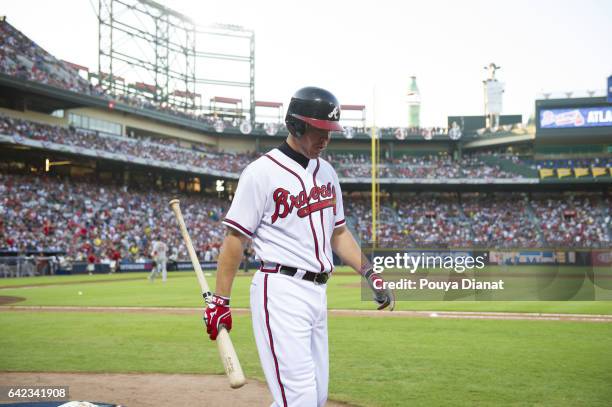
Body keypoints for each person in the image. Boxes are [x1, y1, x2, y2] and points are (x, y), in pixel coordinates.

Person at [203, 86, 394, 406]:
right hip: (280, 290)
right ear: (297, 126)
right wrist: (220, 300)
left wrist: (370, 273)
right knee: (300, 397)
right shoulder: (261, 172)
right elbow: (235, 238)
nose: (327, 139)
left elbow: (339, 234)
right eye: (320, 130)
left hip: (317, 293)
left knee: (315, 397)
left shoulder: (328, 173)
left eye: (330, 131)